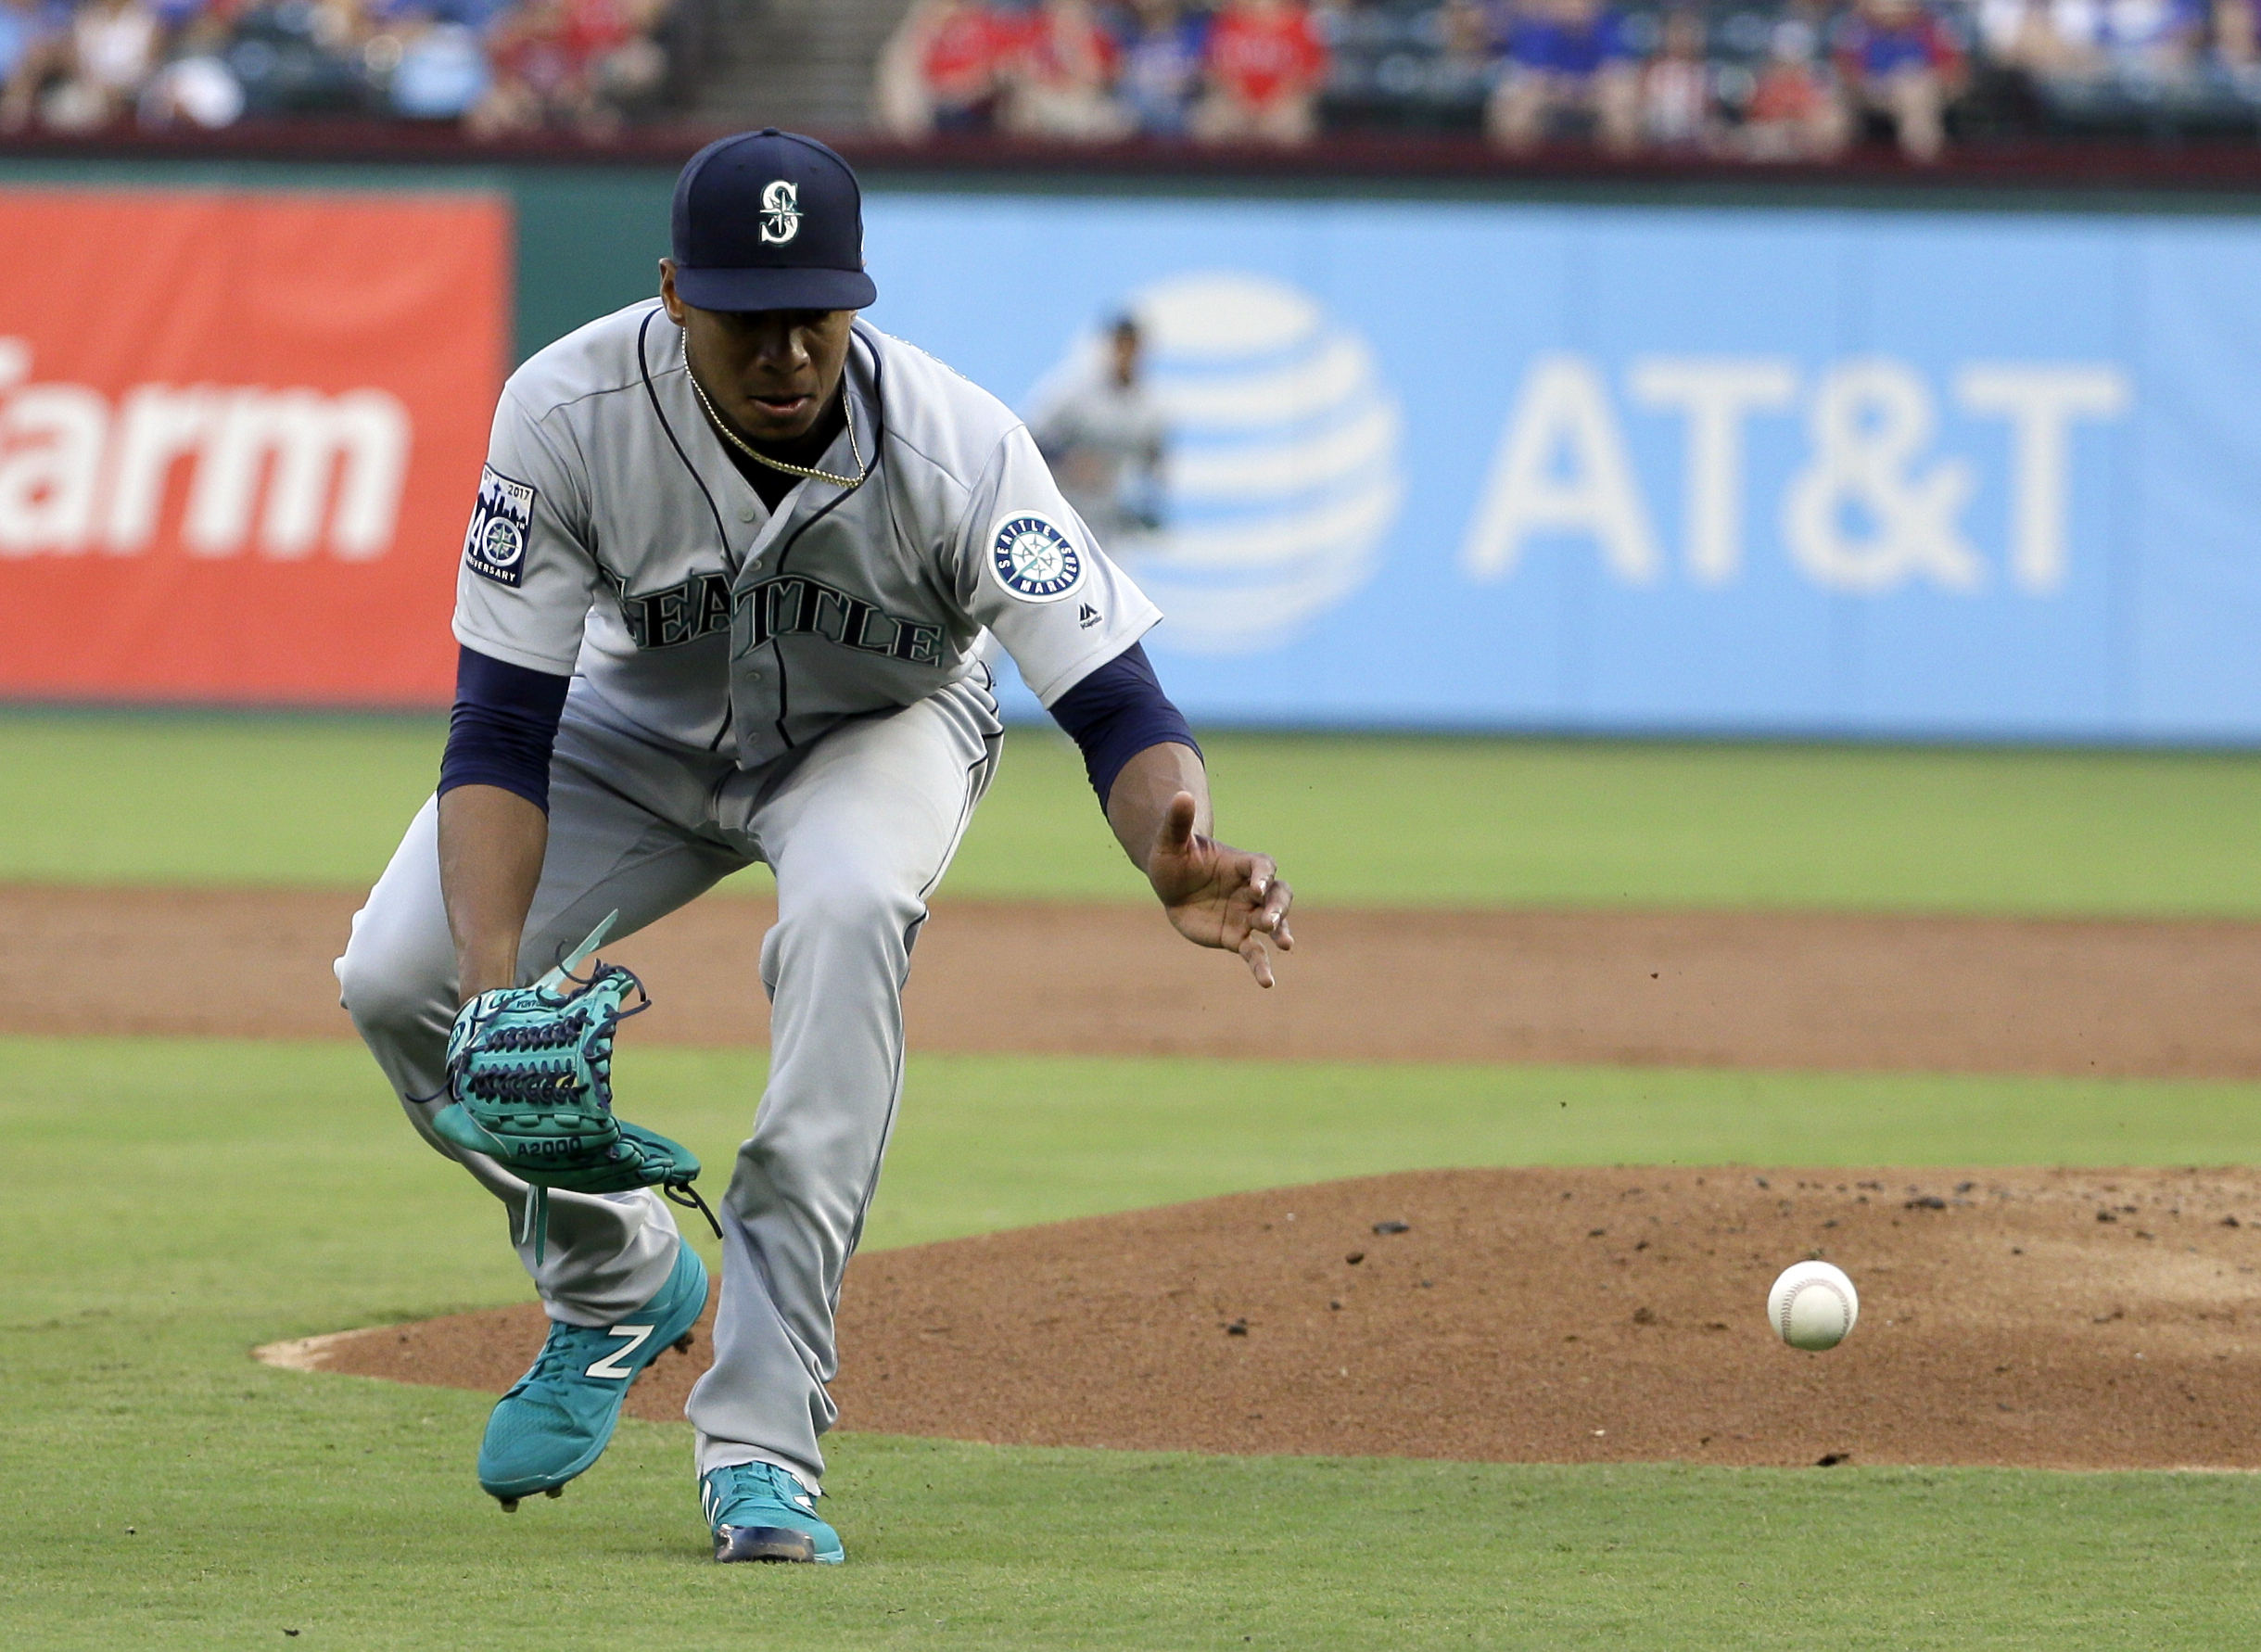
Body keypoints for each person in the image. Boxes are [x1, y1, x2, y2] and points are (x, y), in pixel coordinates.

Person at [335, 130, 1292, 1566]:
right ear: (672, 295)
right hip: (630, 731)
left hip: (879, 732)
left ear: (858, 301)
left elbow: (1114, 701)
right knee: (397, 978)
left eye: (814, 315)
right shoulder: (565, 409)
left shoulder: (958, 445)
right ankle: (610, 1280)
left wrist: (1171, 845)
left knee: (846, 918)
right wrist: (491, 997)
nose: (786, 351)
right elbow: (497, 730)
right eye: (746, 317)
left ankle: (760, 1448)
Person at [1027, 313, 1166, 545]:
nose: (1126, 354)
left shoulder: (1151, 406)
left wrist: (1144, 507)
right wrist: (1067, 461)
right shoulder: (1073, 392)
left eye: (1132, 347)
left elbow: (1154, 470)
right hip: (1063, 513)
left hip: (1111, 524)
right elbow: (1028, 439)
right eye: (1120, 345)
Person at [1486, 0, 1641, 154]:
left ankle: (1613, 175)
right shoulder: (1536, 32)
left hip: (1593, 99)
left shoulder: (1610, 29)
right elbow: (1535, 80)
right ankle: (1520, 175)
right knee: (1515, 110)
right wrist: (1563, 91)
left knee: (1622, 104)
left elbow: (1615, 74)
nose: (1575, 5)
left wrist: (1582, 91)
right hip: (1550, 100)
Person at [1192, 0, 1328, 145]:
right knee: (1208, 124)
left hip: (1283, 104)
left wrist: (1276, 103)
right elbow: (1212, 69)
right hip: (1233, 103)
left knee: (1292, 128)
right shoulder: (1226, 21)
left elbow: (1313, 73)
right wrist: (1240, 100)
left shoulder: (1300, 23)